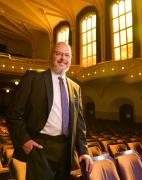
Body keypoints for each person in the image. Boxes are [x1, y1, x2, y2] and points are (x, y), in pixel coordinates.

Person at [6, 42, 93, 180]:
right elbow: (13, 113)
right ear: (51, 56)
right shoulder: (33, 78)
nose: (62, 58)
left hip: (66, 150)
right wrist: (24, 140)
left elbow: (79, 125)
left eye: (66, 55)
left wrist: (84, 151)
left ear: (70, 59)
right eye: (58, 53)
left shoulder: (76, 88)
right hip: (39, 147)